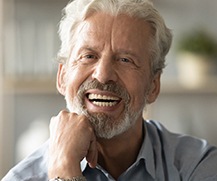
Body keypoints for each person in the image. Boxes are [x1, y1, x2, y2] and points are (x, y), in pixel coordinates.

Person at [2, 0, 217, 180]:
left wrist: (64, 172)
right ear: (62, 77)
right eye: (88, 56)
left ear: (153, 85)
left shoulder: (198, 166)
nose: (103, 75)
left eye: (125, 60)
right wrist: (63, 165)